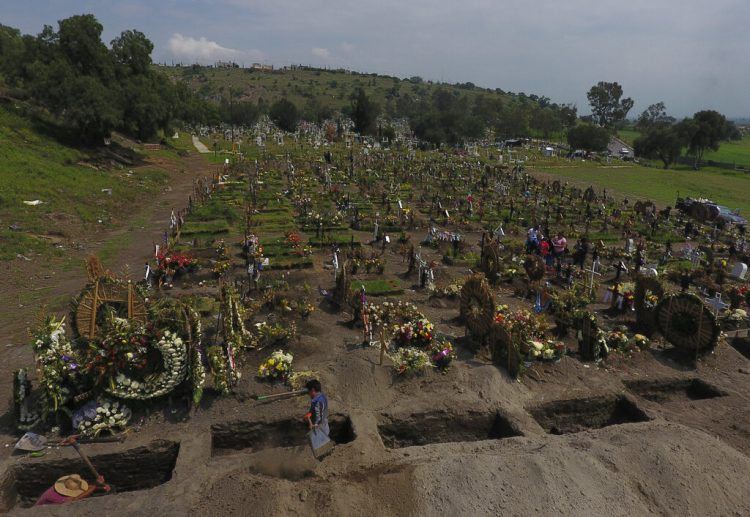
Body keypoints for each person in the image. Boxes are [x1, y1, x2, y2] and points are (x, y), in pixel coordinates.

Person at [35, 474, 108, 506]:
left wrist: (99, 487)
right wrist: (95, 486)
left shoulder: (59, 486)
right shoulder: (60, 499)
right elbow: (76, 498)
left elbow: (81, 488)